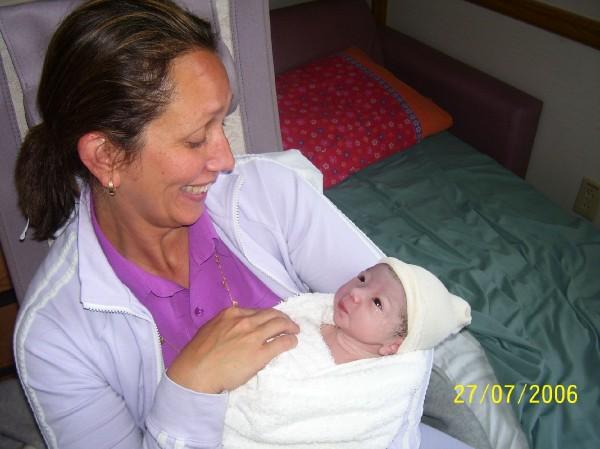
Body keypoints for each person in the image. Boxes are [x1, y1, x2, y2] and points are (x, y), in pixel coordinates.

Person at [12, 1, 472, 448]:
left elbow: (405, 323)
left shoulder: (268, 194)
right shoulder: (56, 338)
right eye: (197, 139)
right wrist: (191, 388)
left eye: (223, 124)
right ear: (106, 156)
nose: (227, 159)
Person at [223, 257, 472, 449]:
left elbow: (292, 411)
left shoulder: (370, 387)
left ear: (393, 346)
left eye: (377, 303)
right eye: (363, 279)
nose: (356, 292)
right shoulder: (311, 314)